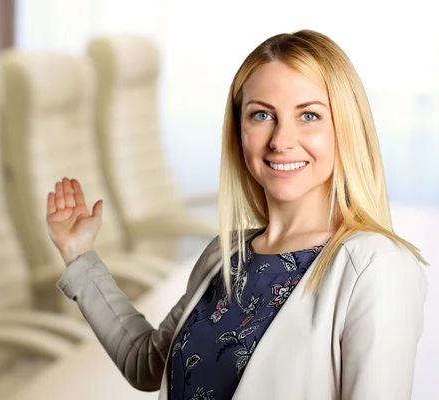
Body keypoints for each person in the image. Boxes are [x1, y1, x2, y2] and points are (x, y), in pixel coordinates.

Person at [45, 29, 428, 400]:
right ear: (238, 130)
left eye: (309, 115)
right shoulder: (224, 256)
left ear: (346, 127)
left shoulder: (375, 267)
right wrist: (80, 256)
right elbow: (148, 365)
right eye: (261, 115)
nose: (281, 140)